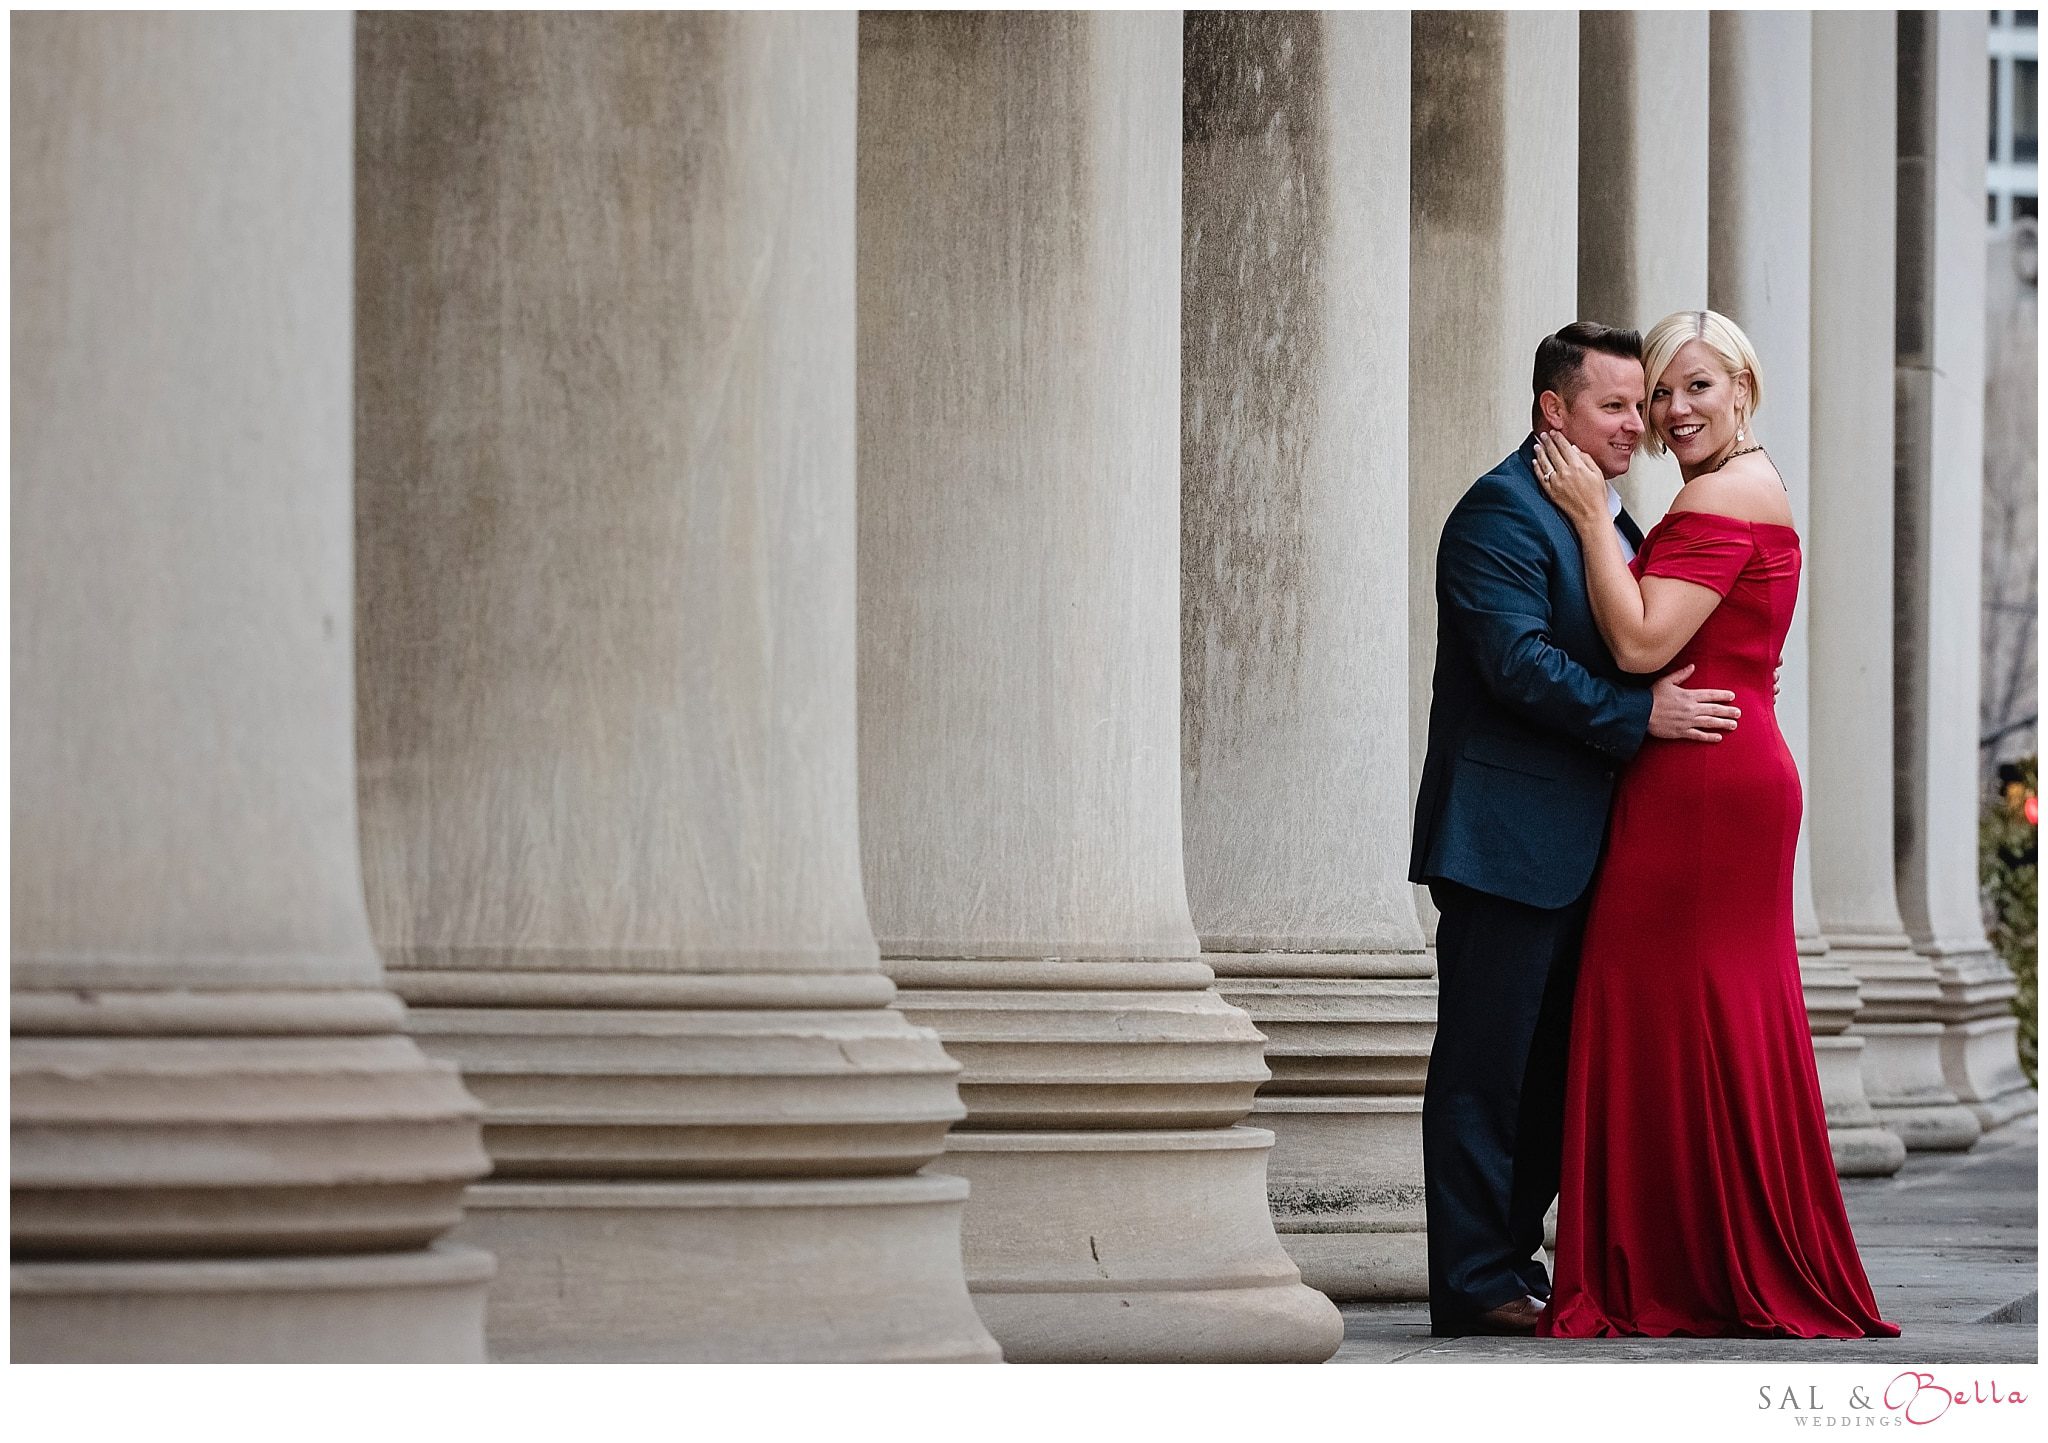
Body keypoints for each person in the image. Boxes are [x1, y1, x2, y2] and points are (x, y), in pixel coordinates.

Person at [1530, 309, 1899, 1339]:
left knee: (1656, 1005)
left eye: (1695, 385)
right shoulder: (1751, 482)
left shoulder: (1715, 499)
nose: (1672, 408)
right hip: (1728, 769)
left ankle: (1683, 1262)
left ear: (1741, 388)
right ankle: (1711, 1253)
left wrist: (1588, 517)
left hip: (1699, 780)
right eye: (1657, 392)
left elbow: (1644, 642)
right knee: (1711, 1014)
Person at [1409, 321, 1743, 1337]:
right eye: (1612, 406)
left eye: (1640, 406)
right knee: (1484, 1069)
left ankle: (1511, 1264)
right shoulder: (1496, 513)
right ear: (1552, 410)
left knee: (1551, 1069)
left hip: (1587, 846)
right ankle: (1473, 1281)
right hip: (1504, 841)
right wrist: (1638, 717)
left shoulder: (1606, 513)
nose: (1636, 425)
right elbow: (1515, 666)